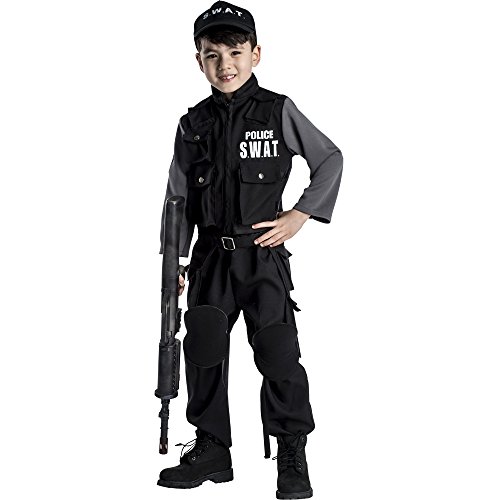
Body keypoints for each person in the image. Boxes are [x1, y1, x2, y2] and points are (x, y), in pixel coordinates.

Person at [157, 2, 343, 498]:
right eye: (212, 55)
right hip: (210, 260)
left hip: (262, 257)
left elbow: (329, 159)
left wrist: (300, 214)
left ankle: (291, 452)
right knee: (202, 350)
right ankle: (212, 448)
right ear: (199, 61)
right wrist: (174, 261)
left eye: (235, 52)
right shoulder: (192, 124)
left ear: (256, 54)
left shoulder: (278, 110)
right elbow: (177, 197)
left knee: (279, 353)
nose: (226, 65)